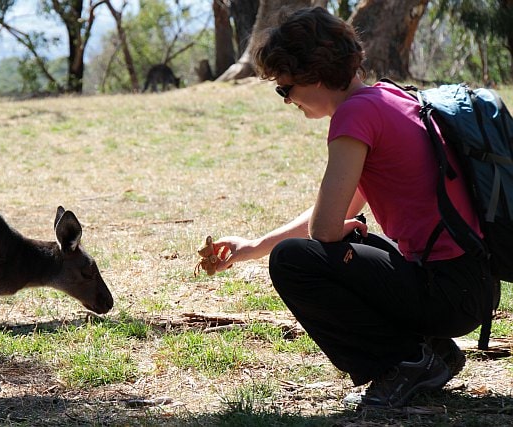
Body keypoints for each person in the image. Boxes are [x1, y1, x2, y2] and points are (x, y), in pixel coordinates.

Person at [208, 6, 486, 409]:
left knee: (292, 262)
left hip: (447, 293)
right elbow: (336, 215)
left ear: (313, 75)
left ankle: (405, 361)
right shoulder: (387, 97)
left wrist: (345, 229)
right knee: (342, 246)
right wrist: (252, 247)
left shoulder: (353, 117)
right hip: (466, 285)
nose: (287, 101)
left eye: (285, 88)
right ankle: (433, 351)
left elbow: (322, 230)